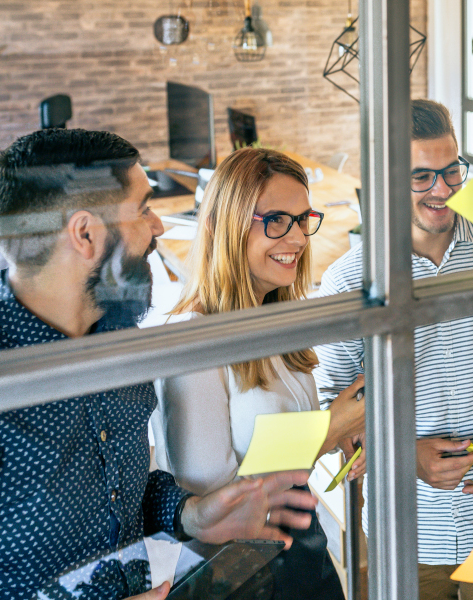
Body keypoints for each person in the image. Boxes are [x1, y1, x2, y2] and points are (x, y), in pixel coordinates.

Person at [0, 129, 316, 600]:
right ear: (86, 234)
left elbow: (127, 495)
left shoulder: (121, 341)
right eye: (143, 209)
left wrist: (190, 513)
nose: (157, 227)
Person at [314, 99, 473, 599]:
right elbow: (330, 404)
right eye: (421, 177)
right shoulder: (347, 280)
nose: (443, 190)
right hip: (404, 523)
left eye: (451, 171)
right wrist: (402, 455)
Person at [152, 148, 366, 600]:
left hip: (300, 552)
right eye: (276, 221)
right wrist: (326, 433)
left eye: (303, 219)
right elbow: (212, 497)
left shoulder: (272, 316)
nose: (297, 238)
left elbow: (271, 435)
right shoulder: (194, 337)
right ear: (228, 225)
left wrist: (339, 428)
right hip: (245, 574)